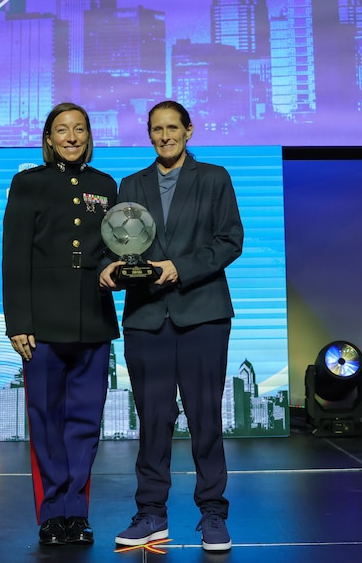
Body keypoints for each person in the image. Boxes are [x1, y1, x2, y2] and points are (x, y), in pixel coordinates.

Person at [101, 100, 243, 552]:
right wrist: (112, 269)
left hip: (201, 313)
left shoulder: (215, 178)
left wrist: (177, 268)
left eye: (173, 128)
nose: (165, 136)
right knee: (154, 421)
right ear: (149, 134)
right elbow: (124, 245)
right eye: (157, 129)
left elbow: (229, 241)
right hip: (146, 317)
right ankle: (151, 514)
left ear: (189, 130)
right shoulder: (132, 183)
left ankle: (213, 514)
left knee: (205, 419)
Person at [2, 102, 119, 547]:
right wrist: (18, 322)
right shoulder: (27, 183)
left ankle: (76, 512)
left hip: (94, 321)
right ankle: (52, 514)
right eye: (62, 130)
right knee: (47, 423)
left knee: (85, 426)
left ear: (89, 135)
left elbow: (112, 245)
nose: (71, 137)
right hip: (42, 326)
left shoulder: (105, 185)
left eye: (80, 129)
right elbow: (14, 257)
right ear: (49, 138)